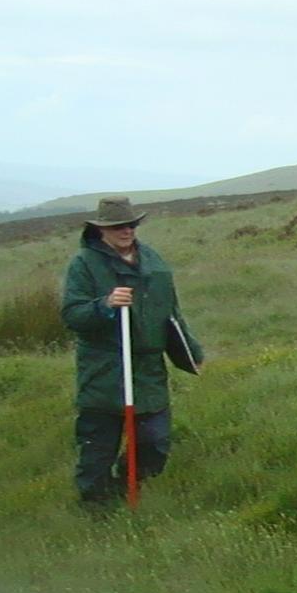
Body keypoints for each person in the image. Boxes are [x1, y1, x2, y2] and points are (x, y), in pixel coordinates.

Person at [60, 196, 204, 506]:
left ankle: (129, 484)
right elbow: (72, 315)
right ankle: (98, 508)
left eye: (130, 224)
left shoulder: (153, 262)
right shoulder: (84, 265)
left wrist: (191, 352)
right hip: (105, 370)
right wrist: (105, 305)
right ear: (101, 230)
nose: (126, 231)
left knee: (155, 442)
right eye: (117, 226)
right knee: (97, 448)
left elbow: (172, 314)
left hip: (148, 371)